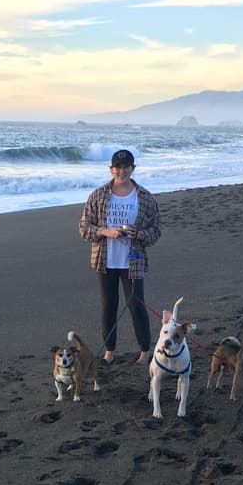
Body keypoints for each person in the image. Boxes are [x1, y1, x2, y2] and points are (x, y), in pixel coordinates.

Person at [78, 149, 161, 365]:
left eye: (126, 167)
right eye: (118, 167)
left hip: (133, 261)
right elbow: (84, 228)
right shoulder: (97, 195)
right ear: (111, 169)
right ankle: (109, 351)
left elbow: (156, 231)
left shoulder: (144, 197)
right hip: (104, 260)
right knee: (109, 306)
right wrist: (106, 232)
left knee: (136, 305)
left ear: (133, 169)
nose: (122, 171)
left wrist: (138, 233)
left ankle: (144, 351)